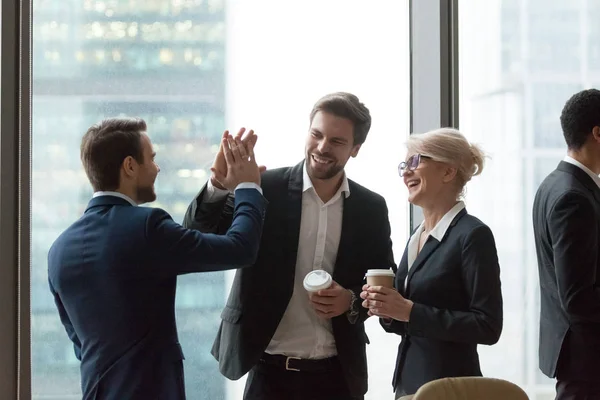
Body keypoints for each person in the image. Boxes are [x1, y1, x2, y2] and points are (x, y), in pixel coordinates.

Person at [183, 92, 395, 400]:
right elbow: (197, 235)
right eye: (316, 135)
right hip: (268, 375)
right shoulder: (264, 188)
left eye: (336, 141)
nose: (322, 147)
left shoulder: (371, 208)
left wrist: (350, 301)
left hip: (338, 378)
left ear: (356, 149)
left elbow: (383, 283)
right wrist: (218, 184)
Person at [47, 117, 267, 400]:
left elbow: (80, 344)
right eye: (151, 159)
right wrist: (248, 188)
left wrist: (217, 186)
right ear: (129, 166)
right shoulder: (146, 226)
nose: (157, 167)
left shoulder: (59, 250)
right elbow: (240, 248)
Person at [361, 128, 503, 398]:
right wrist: (388, 311)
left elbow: (488, 326)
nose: (405, 172)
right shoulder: (417, 236)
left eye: (415, 162)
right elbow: (409, 319)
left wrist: (409, 311)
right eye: (404, 165)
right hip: (409, 385)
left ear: (448, 172)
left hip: (450, 389)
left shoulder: (473, 235)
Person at [532, 88, 600, 400]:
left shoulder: (553, 184)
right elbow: (577, 296)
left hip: (577, 356)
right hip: (587, 361)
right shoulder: (574, 197)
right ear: (597, 133)